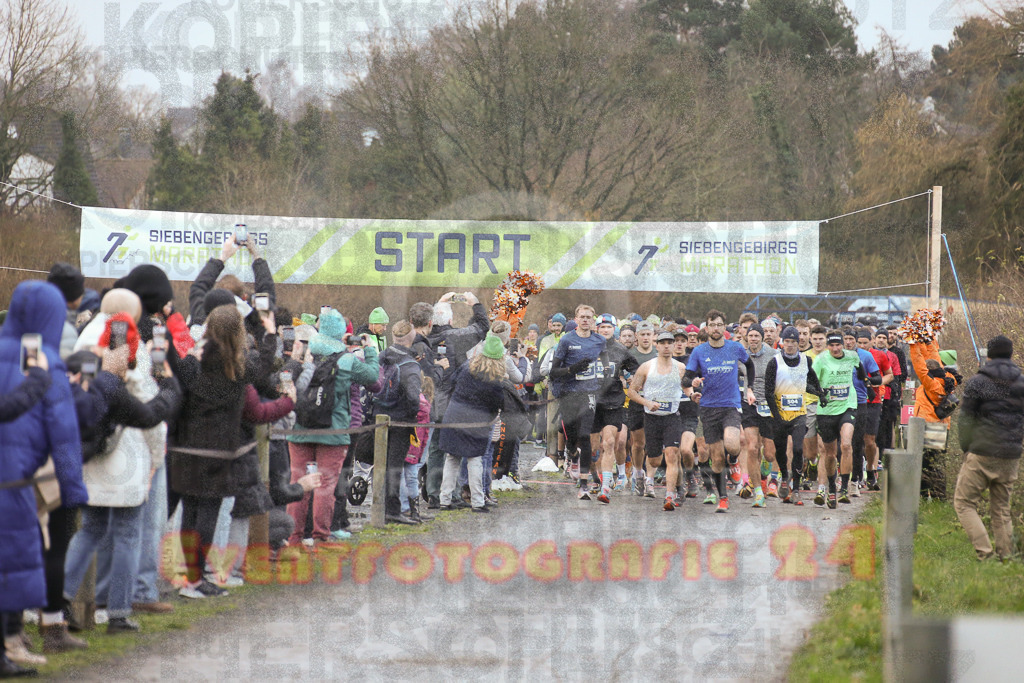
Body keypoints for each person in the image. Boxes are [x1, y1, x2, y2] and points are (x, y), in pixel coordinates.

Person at [61, 312, 182, 634]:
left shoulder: (87, 371)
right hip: (129, 466)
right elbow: (152, 421)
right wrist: (157, 458)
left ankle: (62, 596)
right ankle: (118, 611)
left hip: (94, 466)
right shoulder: (136, 379)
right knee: (128, 535)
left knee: (89, 530)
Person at [168, 305, 293, 598]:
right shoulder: (239, 369)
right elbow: (267, 364)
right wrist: (270, 333)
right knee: (207, 518)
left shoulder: (192, 365)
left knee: (189, 514)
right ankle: (195, 580)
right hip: (218, 455)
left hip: (186, 450)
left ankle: (187, 576)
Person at [0, 281, 89, 678]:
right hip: (15, 485)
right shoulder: (46, 364)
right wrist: (72, 489)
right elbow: (64, 435)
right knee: (14, 566)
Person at [286, 308, 381, 539]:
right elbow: (372, 378)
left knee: (299, 482)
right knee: (326, 485)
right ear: (341, 333)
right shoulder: (347, 359)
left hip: (301, 427)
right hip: (334, 429)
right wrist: (369, 350)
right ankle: (321, 535)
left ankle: (294, 536)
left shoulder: (306, 354)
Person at [954, 335, 1024, 561]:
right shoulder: (1021, 381)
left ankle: (985, 554)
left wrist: (966, 446)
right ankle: (1007, 556)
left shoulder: (978, 381)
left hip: (982, 451)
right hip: (1011, 453)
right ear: (1011, 354)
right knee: (1002, 510)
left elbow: (965, 420)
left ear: (989, 355)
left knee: (964, 503)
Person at [685, 310, 756, 513]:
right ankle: (723, 498)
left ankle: (733, 461)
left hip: (730, 404)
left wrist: (748, 388)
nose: (716, 329)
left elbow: (749, 366)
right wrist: (694, 384)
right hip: (708, 408)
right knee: (716, 459)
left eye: (719, 325)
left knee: (733, 445)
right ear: (706, 328)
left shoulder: (734, 348)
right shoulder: (699, 352)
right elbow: (686, 379)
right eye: (712, 325)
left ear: (725, 328)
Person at [423, 291, 489, 508]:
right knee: (456, 451)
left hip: (430, 403)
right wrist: (474, 303)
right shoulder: (454, 337)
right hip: (453, 403)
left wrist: (439, 302)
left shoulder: (422, 338)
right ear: (451, 320)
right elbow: (481, 327)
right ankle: (453, 495)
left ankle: (434, 493)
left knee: (435, 448)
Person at [438, 334, 506, 512]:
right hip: (476, 423)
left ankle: (444, 499)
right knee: (474, 460)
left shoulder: (466, 367)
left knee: (451, 458)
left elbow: (451, 383)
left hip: (453, 415)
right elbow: (498, 404)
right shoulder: (495, 380)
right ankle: (477, 502)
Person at [548, 305, 606, 499]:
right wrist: (572, 369)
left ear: (593, 320)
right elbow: (553, 371)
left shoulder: (600, 341)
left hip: (589, 393)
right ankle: (571, 454)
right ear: (576, 318)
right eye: (582, 317)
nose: (585, 320)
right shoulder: (566, 340)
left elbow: (606, 365)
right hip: (569, 393)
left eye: (589, 317)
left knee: (585, 435)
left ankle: (584, 485)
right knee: (572, 437)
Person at [627, 331, 689, 510]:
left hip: (672, 417)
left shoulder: (680, 368)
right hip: (651, 418)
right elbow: (632, 391)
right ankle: (677, 481)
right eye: (663, 343)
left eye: (671, 342)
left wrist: (693, 394)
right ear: (657, 345)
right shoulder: (646, 367)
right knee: (654, 461)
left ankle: (669, 496)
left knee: (671, 453)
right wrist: (647, 402)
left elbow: (686, 388)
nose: (667, 346)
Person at [764, 326, 825, 506]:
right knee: (781, 452)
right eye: (787, 342)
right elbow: (768, 392)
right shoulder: (774, 362)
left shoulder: (805, 361)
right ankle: (784, 476)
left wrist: (821, 394)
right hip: (779, 415)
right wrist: (776, 415)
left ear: (799, 343)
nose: (790, 345)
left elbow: (810, 383)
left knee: (798, 449)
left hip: (799, 414)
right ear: (782, 342)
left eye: (793, 342)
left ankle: (796, 489)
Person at [371, 320, 423, 525]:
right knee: (394, 466)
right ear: (412, 339)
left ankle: (380, 506)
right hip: (400, 420)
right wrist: (412, 415)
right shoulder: (410, 365)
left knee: (381, 464)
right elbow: (413, 397)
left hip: (377, 415)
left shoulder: (380, 357)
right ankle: (392, 510)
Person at [592, 315, 639, 502]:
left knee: (610, 442)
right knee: (594, 448)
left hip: (613, 402)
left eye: (608, 327)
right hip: (590, 402)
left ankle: (605, 487)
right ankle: (597, 478)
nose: (605, 330)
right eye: (602, 327)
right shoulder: (587, 347)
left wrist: (632, 378)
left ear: (614, 330)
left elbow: (635, 370)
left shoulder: (620, 350)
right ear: (596, 329)